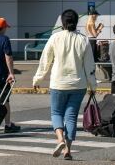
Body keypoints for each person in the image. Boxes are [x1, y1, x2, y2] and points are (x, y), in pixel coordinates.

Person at [33, 9, 96, 160]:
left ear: (62, 22)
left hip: (58, 83)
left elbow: (45, 60)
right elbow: (89, 66)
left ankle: (60, 140)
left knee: (56, 113)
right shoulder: (83, 40)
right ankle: (68, 150)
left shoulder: (55, 38)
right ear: (76, 22)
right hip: (78, 84)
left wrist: (37, 79)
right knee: (71, 116)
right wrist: (92, 86)